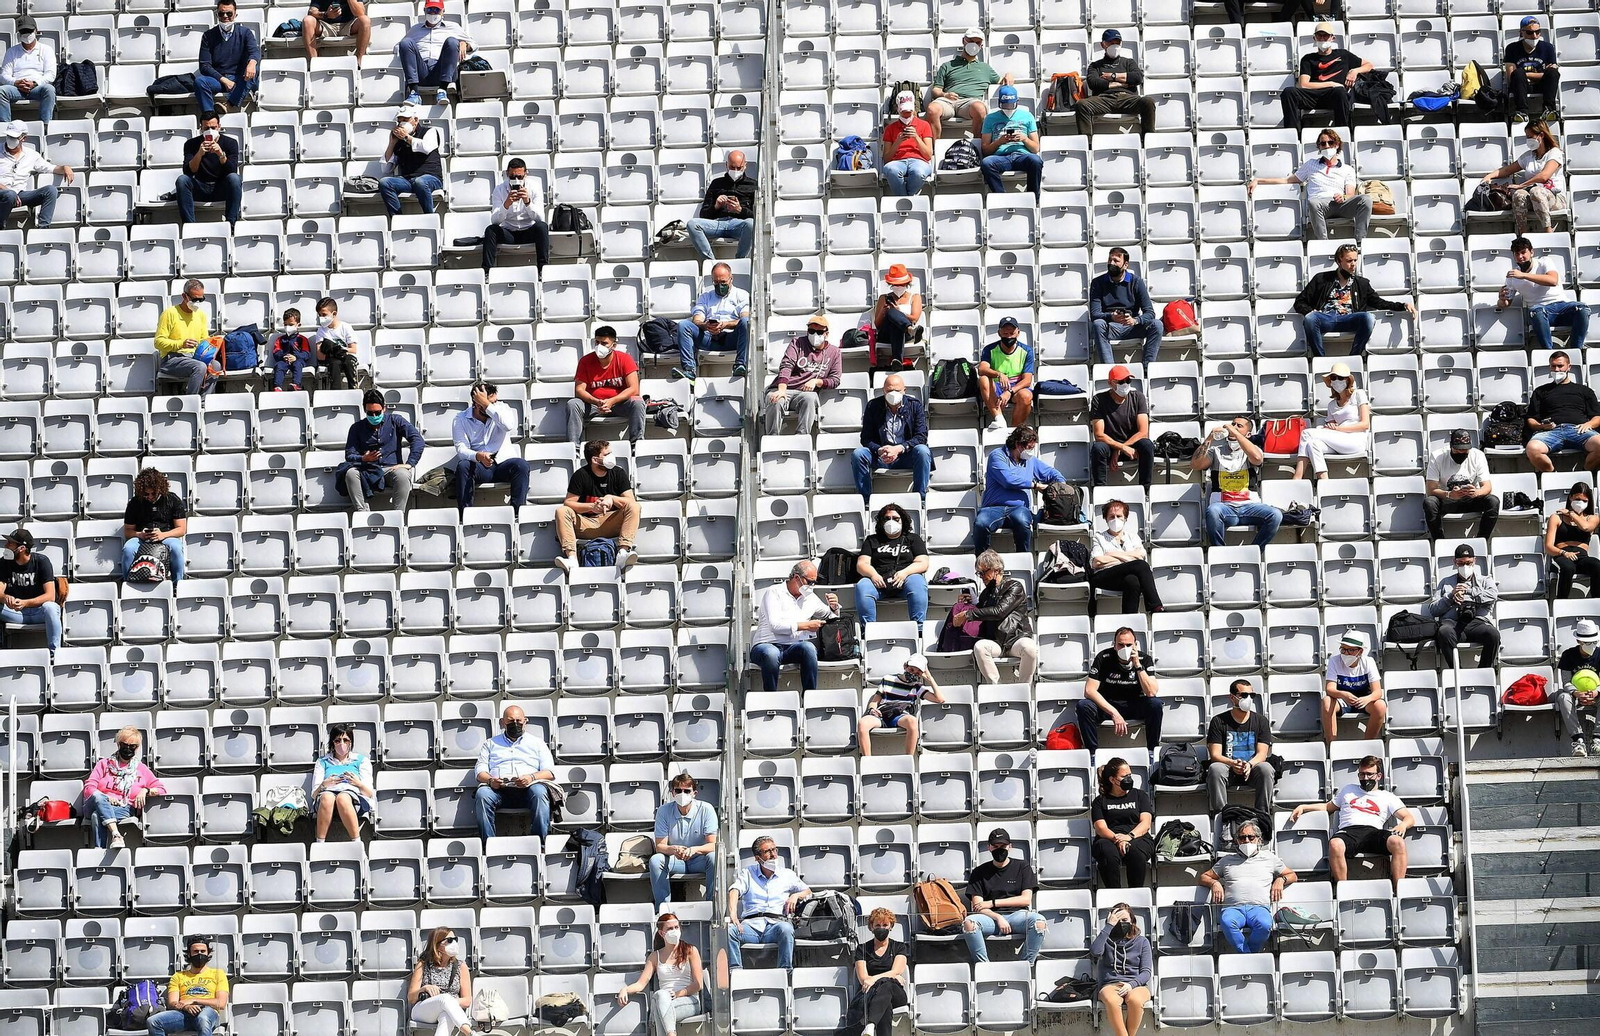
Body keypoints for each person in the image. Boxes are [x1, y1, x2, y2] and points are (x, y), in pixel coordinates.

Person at [1292, 755, 1414, 890]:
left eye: (1369, 774)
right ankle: (1343, 889)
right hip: (1349, 831)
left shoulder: (1387, 796)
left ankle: (1399, 890)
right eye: (1362, 774)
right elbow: (1328, 807)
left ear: (1379, 776)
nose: (1365, 778)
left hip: (1373, 832)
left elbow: (1409, 818)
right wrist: (1304, 807)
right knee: (1335, 844)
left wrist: (1402, 825)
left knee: (1398, 843)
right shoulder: (1348, 789)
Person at [1291, 243, 1416, 357]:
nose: (1353, 264)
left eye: (1355, 260)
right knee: (1310, 318)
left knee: (1369, 318)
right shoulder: (1321, 279)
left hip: (1349, 319)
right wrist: (1311, 311)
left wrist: (1403, 305)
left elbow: (1379, 302)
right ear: (1339, 261)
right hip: (1325, 318)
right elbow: (1299, 302)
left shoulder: (1362, 283)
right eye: (1349, 261)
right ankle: (1320, 358)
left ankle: (1354, 356)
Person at [1248, 129, 1371, 241]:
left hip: (1341, 203)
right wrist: (1258, 180)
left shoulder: (1347, 169)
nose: (1327, 146)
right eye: (1323, 144)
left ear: (1337, 144)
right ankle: (1323, 244)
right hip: (1320, 205)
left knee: (1366, 200)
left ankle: (1359, 242)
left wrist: (1343, 197)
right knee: (1313, 202)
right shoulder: (1311, 165)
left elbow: (1350, 193)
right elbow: (1287, 180)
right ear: (1319, 147)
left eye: (1331, 142)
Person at [1198, 820, 1296, 953]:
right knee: (1227, 922)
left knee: (1265, 925)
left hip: (1259, 908)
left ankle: (1248, 955)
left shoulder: (1269, 858)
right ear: (1237, 841)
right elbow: (1204, 877)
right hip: (1233, 908)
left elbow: (1292, 875)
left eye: (1251, 837)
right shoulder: (1227, 860)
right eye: (1242, 837)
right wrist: (1214, 883)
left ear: (1259, 839)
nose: (1246, 841)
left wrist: (1280, 879)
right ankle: (1249, 957)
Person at [749, 561, 838, 693]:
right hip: (766, 644)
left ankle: (809, 696)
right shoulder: (774, 592)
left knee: (809, 648)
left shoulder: (810, 598)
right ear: (797, 578)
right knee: (771, 654)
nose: (812, 586)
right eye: (810, 582)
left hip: (792, 647)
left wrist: (834, 606)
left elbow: (830, 616)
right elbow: (775, 626)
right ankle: (770, 697)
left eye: (815, 582)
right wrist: (805, 626)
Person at [1192, 418, 1282, 548]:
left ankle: (1254, 550)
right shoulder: (1215, 451)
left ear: (1248, 434)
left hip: (1250, 506)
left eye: (1239, 426)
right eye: (1232, 424)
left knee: (1275, 515)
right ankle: (1221, 552)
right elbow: (1195, 465)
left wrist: (1236, 433)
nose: (1233, 427)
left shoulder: (1253, 450)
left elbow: (1257, 458)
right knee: (1213, 511)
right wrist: (1210, 438)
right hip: (1224, 506)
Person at [553, 439, 639, 575]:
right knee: (562, 511)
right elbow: (569, 503)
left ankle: (622, 552)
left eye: (610, 453)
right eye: (606, 455)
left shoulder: (618, 473)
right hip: (587, 524)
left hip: (611, 522)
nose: (611, 457)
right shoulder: (581, 475)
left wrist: (611, 498)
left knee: (634, 507)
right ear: (595, 460)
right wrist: (591, 507)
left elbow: (630, 502)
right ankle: (572, 559)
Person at [974, 426, 1064, 555]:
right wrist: (1035, 485)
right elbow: (1008, 480)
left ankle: (1022, 558)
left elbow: (1051, 473)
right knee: (981, 523)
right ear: (1018, 444)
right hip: (993, 508)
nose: (1031, 452)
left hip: (1019, 508)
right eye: (1029, 448)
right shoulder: (997, 455)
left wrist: (1061, 485)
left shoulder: (1030, 461)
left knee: (1022, 521)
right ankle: (982, 561)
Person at [961, 827, 1046, 963]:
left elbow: (1025, 899)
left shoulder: (1022, 867)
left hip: (1017, 916)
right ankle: (985, 968)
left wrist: (993, 903)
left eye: (1003, 846)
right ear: (989, 848)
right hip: (990, 918)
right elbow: (977, 906)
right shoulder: (979, 872)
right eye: (995, 846)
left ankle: (1025, 966)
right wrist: (998, 917)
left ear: (1010, 846)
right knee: (969, 924)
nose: (999, 849)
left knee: (1039, 923)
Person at [727, 835, 810, 970]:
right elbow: (734, 890)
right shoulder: (748, 873)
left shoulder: (787, 874)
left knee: (787, 929)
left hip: (775, 925)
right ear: (757, 857)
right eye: (767, 851)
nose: (773, 855)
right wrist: (733, 915)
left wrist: (795, 895)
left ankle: (785, 973)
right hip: (751, 926)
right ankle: (735, 972)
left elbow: (808, 891)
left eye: (774, 850)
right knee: (730, 931)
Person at [1075, 626, 1162, 754]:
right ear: (1114, 645)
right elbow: (1089, 690)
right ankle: (1092, 753)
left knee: (1156, 704)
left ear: (1135, 645)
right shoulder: (1104, 658)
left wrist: (1137, 665)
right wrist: (1114, 713)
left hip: (1134, 704)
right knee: (1084, 705)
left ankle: (1152, 751)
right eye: (1120, 645)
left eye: (1129, 645)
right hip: (1108, 704)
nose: (1124, 648)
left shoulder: (1145, 659)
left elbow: (1151, 692)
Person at [474, 705, 555, 840]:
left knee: (540, 792)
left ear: (525, 721)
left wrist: (531, 777)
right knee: (482, 794)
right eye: (511, 721)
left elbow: (549, 772)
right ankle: (488, 845)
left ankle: (540, 844)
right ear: (502, 722)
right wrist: (490, 781)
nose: (515, 724)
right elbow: (479, 772)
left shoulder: (537, 743)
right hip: (499, 791)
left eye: (519, 721)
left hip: (529, 790)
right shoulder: (490, 744)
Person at [616, 914, 705, 1036]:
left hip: (689, 1000)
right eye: (670, 929)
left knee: (659, 1005)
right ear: (662, 933)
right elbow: (641, 984)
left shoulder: (691, 950)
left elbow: (698, 984)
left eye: (676, 927)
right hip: (665, 1000)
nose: (674, 931)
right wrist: (625, 989)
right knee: (661, 996)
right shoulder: (654, 956)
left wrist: (679, 993)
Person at [1497, 237, 1589, 353]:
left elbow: (1553, 280)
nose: (1520, 257)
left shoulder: (1545, 262)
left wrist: (1524, 275)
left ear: (1531, 252)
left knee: (1582, 308)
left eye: (1523, 252)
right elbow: (1505, 304)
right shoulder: (1512, 276)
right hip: (1540, 312)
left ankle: (1577, 351)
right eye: (1516, 254)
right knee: (1537, 311)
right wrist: (1501, 298)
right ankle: (1549, 354)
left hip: (1562, 307)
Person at [338, 389, 423, 513]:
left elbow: (417, 440)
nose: (374, 416)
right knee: (350, 473)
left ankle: (397, 515)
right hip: (367, 470)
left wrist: (410, 463)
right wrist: (363, 458)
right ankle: (363, 514)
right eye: (370, 413)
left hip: (391, 469)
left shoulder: (395, 420)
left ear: (384, 408)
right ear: (364, 410)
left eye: (377, 413)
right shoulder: (356, 428)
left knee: (403, 474)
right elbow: (349, 455)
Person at [451, 382, 530, 515]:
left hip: (503, 464)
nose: (494, 405)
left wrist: (487, 406)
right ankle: (465, 515)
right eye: (488, 402)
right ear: (476, 403)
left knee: (521, 465)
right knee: (463, 466)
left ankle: (517, 515)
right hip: (481, 465)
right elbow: (461, 449)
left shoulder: (502, 408)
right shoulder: (460, 418)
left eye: (494, 401)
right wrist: (478, 456)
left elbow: (508, 425)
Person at [853, 375, 931, 506]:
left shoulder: (915, 406)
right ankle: (865, 501)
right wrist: (879, 450)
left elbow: (921, 436)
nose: (893, 394)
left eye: (897, 390)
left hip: (906, 455)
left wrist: (899, 448)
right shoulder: (873, 406)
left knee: (923, 451)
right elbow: (865, 438)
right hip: (881, 456)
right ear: (883, 391)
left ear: (904, 390)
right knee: (858, 454)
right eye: (889, 391)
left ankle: (920, 498)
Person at [82, 725, 164, 849]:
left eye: (133, 746)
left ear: (137, 748)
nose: (128, 749)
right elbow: (89, 788)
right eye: (125, 745)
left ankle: (100, 850)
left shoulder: (141, 768)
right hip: (96, 802)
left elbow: (161, 789)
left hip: (123, 808)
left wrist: (145, 790)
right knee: (99, 797)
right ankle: (116, 834)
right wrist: (106, 798)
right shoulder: (104, 764)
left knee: (96, 815)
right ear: (119, 744)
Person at [1281, 22, 1373, 132]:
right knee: (1288, 92)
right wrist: (1331, 84)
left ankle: (1342, 132)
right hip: (1313, 95)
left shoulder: (1343, 55)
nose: (1322, 39)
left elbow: (1369, 65)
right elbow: (1303, 84)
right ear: (1314, 38)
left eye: (1326, 36)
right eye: (1319, 35)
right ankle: (1291, 134)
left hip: (1334, 96)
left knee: (1340, 92)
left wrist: (1354, 71)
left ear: (1332, 38)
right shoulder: (1308, 59)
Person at [1480, 121, 1568, 235]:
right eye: (1527, 137)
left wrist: (1523, 185)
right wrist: (1490, 176)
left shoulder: (1554, 153)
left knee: (1536, 191)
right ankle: (1522, 234)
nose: (1528, 140)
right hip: (1534, 199)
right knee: (1519, 194)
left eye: (1530, 137)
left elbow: (1544, 176)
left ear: (1541, 135)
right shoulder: (1529, 156)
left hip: (1555, 198)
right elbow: (1508, 170)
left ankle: (1548, 231)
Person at [1424, 544, 1502, 669]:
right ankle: (1457, 671)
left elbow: (1493, 595)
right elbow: (1433, 609)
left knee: (1493, 635)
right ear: (1454, 562)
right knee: (1443, 632)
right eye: (1460, 563)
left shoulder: (1485, 580)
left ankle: (1484, 670)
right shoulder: (1445, 582)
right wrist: (1450, 596)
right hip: (1453, 623)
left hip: (1477, 623)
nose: (1465, 566)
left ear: (1474, 561)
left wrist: (1468, 592)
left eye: (1468, 562)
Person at [967, 550, 1039, 685]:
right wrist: (968, 604)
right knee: (980, 647)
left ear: (997, 570)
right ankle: (996, 688)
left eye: (984, 572)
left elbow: (999, 611)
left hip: (1015, 639)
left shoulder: (1014, 586)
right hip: (995, 641)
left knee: (1029, 647)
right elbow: (983, 612)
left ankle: (1024, 688)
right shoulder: (985, 594)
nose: (981, 576)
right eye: (979, 573)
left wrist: (969, 614)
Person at [648, 773, 718, 911]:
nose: (682, 794)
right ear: (672, 793)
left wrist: (694, 850)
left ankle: (712, 906)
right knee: (656, 860)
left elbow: (712, 844)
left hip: (699, 859)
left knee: (714, 857)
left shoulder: (706, 809)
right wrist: (674, 849)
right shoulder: (663, 811)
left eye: (687, 791)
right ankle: (662, 909)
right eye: (678, 790)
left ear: (694, 793)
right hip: (676, 860)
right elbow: (660, 846)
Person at [762, 315, 841, 436]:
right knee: (775, 399)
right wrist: (781, 390)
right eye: (811, 331)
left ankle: (802, 437)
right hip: (784, 388)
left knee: (810, 398)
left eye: (819, 332)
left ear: (826, 334)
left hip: (805, 393)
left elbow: (835, 380)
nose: (815, 335)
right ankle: (772, 438)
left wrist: (817, 382)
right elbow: (786, 365)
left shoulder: (834, 352)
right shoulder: (797, 342)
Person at [1207, 679, 1275, 815]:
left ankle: (1262, 817)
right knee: (1215, 769)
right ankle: (1222, 817)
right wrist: (1233, 763)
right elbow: (1215, 755)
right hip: (1228, 768)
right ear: (1232, 698)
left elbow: (1262, 754)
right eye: (1244, 695)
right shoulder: (1218, 721)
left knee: (1266, 769)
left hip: (1252, 768)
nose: (1248, 699)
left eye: (1252, 695)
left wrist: (1249, 765)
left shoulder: (1261, 721)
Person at [1524, 351, 1600, 473]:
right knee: (1532, 448)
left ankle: (1585, 473)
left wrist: (1589, 424)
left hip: (1579, 430)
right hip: (1550, 432)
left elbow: (1597, 416)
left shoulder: (1584, 391)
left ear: (1568, 367)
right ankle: (1553, 476)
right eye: (1553, 366)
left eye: (1560, 366)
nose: (1557, 369)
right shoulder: (1540, 391)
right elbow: (1531, 419)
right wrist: (1541, 426)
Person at [569, 326, 644, 449]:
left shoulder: (625, 359)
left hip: (619, 404)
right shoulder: (585, 361)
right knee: (573, 404)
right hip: (593, 405)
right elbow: (579, 390)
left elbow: (634, 388)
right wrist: (596, 401)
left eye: (604, 343)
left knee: (638, 402)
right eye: (597, 342)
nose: (599, 346)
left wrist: (612, 401)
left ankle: (637, 445)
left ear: (613, 345)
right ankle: (574, 448)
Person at [673, 263, 750, 382]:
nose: (720, 286)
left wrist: (725, 324)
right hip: (709, 337)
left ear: (731, 278)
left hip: (732, 337)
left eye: (723, 282)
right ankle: (689, 370)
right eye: (716, 283)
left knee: (746, 322)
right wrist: (706, 325)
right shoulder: (705, 297)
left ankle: (740, 365)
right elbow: (697, 320)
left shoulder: (742, 295)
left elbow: (744, 317)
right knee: (684, 325)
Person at [855, 503, 929, 626]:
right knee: (862, 586)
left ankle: (919, 627)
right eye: (887, 518)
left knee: (918, 583)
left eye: (896, 518)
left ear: (902, 521)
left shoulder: (913, 538)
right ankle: (867, 629)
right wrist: (873, 575)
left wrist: (904, 573)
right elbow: (862, 564)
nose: (891, 521)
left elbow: (923, 563)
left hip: (905, 579)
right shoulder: (872, 540)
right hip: (878, 581)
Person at [926, 28, 1009, 137]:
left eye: (977, 42)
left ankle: (978, 146)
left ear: (981, 45)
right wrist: (945, 94)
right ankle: (934, 148)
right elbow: (936, 89)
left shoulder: (985, 68)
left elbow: (1002, 81)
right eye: (970, 41)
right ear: (963, 41)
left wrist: (1008, 75)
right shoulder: (947, 65)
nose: (974, 45)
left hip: (970, 102)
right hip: (947, 101)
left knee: (980, 108)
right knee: (932, 109)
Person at [1294, 362, 1370, 480]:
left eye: (1340, 377)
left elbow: (1365, 424)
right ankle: (1325, 481)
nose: (1337, 380)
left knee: (1306, 433)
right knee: (1312, 444)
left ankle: (1297, 478)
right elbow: (1330, 426)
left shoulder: (1358, 394)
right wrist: (1330, 426)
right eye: (1333, 378)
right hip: (1339, 441)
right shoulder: (1331, 405)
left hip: (1356, 440)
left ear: (1347, 380)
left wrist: (1338, 428)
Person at [858, 653, 943, 756]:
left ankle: (908, 759)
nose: (913, 674)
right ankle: (868, 760)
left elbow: (940, 699)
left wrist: (930, 678)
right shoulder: (888, 679)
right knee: (862, 723)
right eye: (911, 670)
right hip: (882, 715)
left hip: (899, 717)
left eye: (917, 673)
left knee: (912, 721)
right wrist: (872, 710)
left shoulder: (916, 687)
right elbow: (875, 701)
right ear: (905, 666)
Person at [1076, 29, 1156, 138]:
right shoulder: (1095, 66)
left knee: (1148, 102)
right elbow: (1094, 83)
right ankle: (1087, 142)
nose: (1114, 46)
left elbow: (1137, 78)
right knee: (1082, 105)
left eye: (1117, 43)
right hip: (1104, 99)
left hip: (1127, 98)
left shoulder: (1129, 62)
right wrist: (1122, 83)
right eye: (1111, 43)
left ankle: (1148, 139)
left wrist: (1112, 76)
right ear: (1103, 44)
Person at [1089, 249, 1162, 368]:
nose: (1111, 263)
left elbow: (1150, 313)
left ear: (1125, 264)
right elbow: (1095, 314)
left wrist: (1135, 320)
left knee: (1157, 324)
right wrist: (1111, 316)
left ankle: (1147, 368)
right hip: (1110, 327)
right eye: (1110, 260)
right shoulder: (1098, 283)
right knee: (1098, 324)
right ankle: (1111, 371)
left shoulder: (1136, 282)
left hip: (1132, 327)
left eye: (1116, 261)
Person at [1090, 757, 1155, 888]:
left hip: (1137, 836)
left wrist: (1129, 837)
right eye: (1124, 776)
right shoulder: (1100, 801)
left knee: (1136, 850)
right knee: (1107, 851)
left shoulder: (1140, 795)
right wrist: (1117, 839)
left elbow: (1146, 823)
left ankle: (1136, 892)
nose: (1129, 779)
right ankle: (1114, 894)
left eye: (1130, 775)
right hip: (1110, 838)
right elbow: (1100, 828)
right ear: (1112, 780)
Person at [1090, 500, 1163, 614]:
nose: (1115, 519)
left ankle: (1129, 619)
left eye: (1119, 516)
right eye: (1111, 516)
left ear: (1125, 518)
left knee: (1132, 580)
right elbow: (1097, 561)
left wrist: (1111, 554)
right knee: (1141, 565)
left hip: (1123, 578)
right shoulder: (1099, 537)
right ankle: (1156, 606)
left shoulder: (1133, 537)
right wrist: (1130, 558)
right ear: (1106, 519)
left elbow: (1141, 555)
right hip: (1104, 576)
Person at [146, 938, 230, 1036]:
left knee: (203, 1019)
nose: (199, 954)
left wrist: (194, 1000)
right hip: (184, 1013)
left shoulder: (218, 974)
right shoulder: (178, 976)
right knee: (153, 1021)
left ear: (208, 954)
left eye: (203, 951)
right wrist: (186, 1007)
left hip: (208, 1012)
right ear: (189, 954)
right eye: (195, 951)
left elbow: (221, 1003)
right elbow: (172, 1003)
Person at [1423, 429, 1496, 540]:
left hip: (1470, 499)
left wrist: (1476, 492)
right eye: (1458, 451)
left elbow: (1487, 487)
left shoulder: (1478, 455)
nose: (1461, 453)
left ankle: (1482, 541)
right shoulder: (1437, 456)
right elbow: (1430, 490)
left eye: (1465, 451)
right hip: (1447, 500)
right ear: (1451, 446)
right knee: (1429, 503)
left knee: (1493, 501)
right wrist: (1449, 495)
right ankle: (1439, 542)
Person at [1090, 904, 1152, 1036]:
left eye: (1124, 920)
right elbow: (1095, 952)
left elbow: (1146, 972)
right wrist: (1108, 926)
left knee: (1135, 1000)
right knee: (1112, 1001)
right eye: (1117, 920)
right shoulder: (1105, 940)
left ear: (1132, 921)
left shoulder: (1142, 942)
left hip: (1136, 984)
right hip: (1110, 985)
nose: (1121, 924)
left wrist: (1131, 984)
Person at [1089, 365, 1154, 489]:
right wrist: (1120, 447)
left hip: (1132, 446)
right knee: (1098, 448)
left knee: (1147, 445)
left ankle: (1145, 490)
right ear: (1110, 383)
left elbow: (1143, 431)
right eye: (1121, 381)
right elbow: (1099, 434)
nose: (1125, 384)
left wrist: (1120, 449)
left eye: (1128, 381)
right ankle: (1100, 490)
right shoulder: (1099, 400)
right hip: (1110, 446)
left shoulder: (1138, 397)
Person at [0, 529, 61, 655]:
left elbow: (50, 596)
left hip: (39, 612)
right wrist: (6, 598)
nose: (6, 546)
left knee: (51, 607)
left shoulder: (41, 561)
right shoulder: (4, 562)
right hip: (16, 613)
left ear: (21, 548)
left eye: (10, 543)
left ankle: (54, 654)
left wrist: (25, 603)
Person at [484, 157, 550, 273]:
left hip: (528, 231)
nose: (516, 180)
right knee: (491, 230)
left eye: (519, 177)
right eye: (512, 177)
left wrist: (528, 202)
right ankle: (486, 271)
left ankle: (543, 270)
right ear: (507, 174)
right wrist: (506, 205)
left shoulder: (534, 187)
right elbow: (494, 221)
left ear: (526, 174)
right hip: (508, 232)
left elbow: (540, 219)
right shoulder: (499, 190)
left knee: (542, 227)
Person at [398, 0, 471, 105]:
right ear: (424, 11)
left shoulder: (453, 27)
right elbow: (399, 47)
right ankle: (414, 93)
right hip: (421, 71)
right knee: (405, 42)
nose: (433, 13)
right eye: (430, 9)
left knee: (452, 41)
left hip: (442, 69)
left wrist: (464, 43)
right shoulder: (415, 29)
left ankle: (443, 90)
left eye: (436, 10)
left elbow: (473, 45)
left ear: (443, 12)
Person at [0, 120, 71, 228]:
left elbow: (50, 168)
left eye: (14, 137)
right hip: (3, 192)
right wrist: (6, 190)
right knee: (10, 195)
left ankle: (43, 230)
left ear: (23, 138)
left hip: (19, 195)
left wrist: (65, 167)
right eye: (9, 136)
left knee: (50, 190)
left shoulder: (31, 155)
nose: (10, 139)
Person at [177, 113, 242, 229]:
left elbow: (232, 170)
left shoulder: (230, 143)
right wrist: (199, 154)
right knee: (182, 180)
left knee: (235, 178)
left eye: (213, 127)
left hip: (220, 188)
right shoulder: (191, 144)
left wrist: (221, 155)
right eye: (206, 128)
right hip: (201, 187)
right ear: (201, 128)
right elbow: (188, 171)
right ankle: (189, 227)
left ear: (219, 127)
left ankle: (231, 225)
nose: (210, 131)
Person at [122, 467, 188, 584]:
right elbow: (128, 531)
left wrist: (162, 535)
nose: (150, 496)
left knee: (176, 548)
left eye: (153, 493)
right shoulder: (134, 503)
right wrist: (140, 534)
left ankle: (177, 585)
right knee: (128, 549)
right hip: (141, 537)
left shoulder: (173, 500)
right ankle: (128, 583)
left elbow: (181, 529)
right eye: (146, 494)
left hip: (166, 535)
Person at [311, 722, 375, 842]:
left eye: (346, 740)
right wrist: (324, 785)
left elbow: (369, 793)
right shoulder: (322, 762)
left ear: (350, 743)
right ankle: (319, 843)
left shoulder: (361, 761)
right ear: (332, 743)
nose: (342, 744)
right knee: (327, 797)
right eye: (337, 740)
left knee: (343, 798)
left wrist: (357, 783)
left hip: (352, 799)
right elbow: (314, 794)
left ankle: (357, 842)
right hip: (327, 799)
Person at [154, 281, 219, 397]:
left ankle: (203, 401)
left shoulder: (200, 315)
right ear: (184, 296)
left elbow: (204, 340)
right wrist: (180, 344)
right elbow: (158, 342)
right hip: (172, 359)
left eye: (201, 299)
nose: (197, 303)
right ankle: (191, 400)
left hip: (195, 357)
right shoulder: (169, 313)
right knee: (200, 367)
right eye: (194, 299)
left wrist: (210, 351)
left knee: (216, 365)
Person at [406, 926, 474, 1036]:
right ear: (437, 945)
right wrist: (424, 988)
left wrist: (447, 1004)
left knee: (447, 1016)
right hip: (423, 1010)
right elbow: (411, 998)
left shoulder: (461, 966)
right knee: (445, 998)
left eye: (455, 940)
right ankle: (470, 1033)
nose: (454, 943)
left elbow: (467, 1001)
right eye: (450, 940)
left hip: (449, 1010)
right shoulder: (423, 964)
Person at [687, 150, 755, 260]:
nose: (736, 171)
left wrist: (740, 210)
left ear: (745, 166)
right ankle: (710, 261)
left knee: (751, 224)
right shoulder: (716, 183)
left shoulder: (753, 185)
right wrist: (716, 206)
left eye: (739, 168)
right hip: (717, 223)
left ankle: (740, 259)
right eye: (732, 167)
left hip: (739, 225)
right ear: (726, 165)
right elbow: (703, 214)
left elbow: (756, 216)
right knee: (692, 224)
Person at [194, 2, 259, 115]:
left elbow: (254, 52)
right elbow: (204, 66)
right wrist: (224, 80)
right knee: (200, 82)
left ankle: (229, 105)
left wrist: (252, 63)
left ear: (235, 14)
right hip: (219, 80)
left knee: (254, 70)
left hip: (240, 79)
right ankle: (209, 117)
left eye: (229, 13)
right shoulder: (208, 36)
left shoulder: (245, 33)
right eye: (221, 13)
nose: (225, 17)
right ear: (217, 15)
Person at [1323, 629, 1384, 746]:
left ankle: (1368, 746)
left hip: (1364, 701)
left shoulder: (1368, 662)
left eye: (1350, 650)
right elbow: (1330, 689)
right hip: (1342, 701)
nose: (1345, 653)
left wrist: (1367, 699)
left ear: (1360, 651)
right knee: (1326, 701)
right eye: (1343, 649)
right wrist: (1343, 694)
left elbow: (1377, 692)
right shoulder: (1334, 661)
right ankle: (1332, 746)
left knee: (1380, 706)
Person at [853, 909, 909, 1036]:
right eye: (877, 925)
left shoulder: (899, 947)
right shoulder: (862, 949)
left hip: (896, 993)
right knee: (885, 1005)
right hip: (871, 993)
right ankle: (871, 1027)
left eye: (885, 925)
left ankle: (870, 1024)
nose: (881, 928)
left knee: (888, 985)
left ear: (891, 927)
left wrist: (874, 979)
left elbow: (897, 970)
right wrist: (891, 976)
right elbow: (863, 978)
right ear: (871, 927)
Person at [979, 85, 1041, 199]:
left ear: (1017, 102)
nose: (1008, 108)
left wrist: (1024, 139)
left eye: (1011, 105)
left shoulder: (1027, 116)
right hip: (1001, 157)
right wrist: (999, 142)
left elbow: (1036, 148)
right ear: (999, 102)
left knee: (1036, 161)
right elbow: (985, 150)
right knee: (986, 163)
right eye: (1005, 105)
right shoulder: (990, 118)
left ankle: (1033, 198)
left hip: (1022, 155)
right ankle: (1001, 197)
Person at [381, 103, 443, 215]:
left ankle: (429, 217)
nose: (402, 123)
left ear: (415, 120)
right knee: (385, 182)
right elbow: (386, 169)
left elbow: (426, 147)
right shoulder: (399, 142)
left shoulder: (429, 131)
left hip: (431, 178)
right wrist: (392, 143)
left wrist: (406, 137)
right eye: (400, 121)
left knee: (420, 182)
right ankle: (397, 219)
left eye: (406, 119)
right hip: (408, 180)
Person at [977, 317, 1036, 431]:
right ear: (999, 333)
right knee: (983, 379)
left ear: (1018, 333)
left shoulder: (1027, 351)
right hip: (997, 388)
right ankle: (999, 419)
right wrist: (999, 374)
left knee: (1026, 396)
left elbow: (1027, 380)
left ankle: (1014, 431)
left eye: (1012, 333)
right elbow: (982, 369)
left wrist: (1009, 391)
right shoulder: (989, 349)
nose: (1009, 336)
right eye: (1005, 333)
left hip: (1016, 389)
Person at [1545, 482, 1600, 599]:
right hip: (1562, 556)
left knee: (1597, 565)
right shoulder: (1556, 517)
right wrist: (1564, 553)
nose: (1580, 503)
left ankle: (1597, 602)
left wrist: (1571, 514)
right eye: (1577, 499)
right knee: (1568, 568)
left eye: (1585, 501)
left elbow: (1585, 527)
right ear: (1570, 497)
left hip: (1582, 557)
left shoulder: (1592, 518)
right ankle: (1561, 603)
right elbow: (1548, 546)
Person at [1503, 16, 1560, 125]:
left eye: (1537, 32)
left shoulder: (1548, 47)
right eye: (1529, 32)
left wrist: (1526, 74)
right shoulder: (1512, 48)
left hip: (1541, 85)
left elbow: (1550, 74)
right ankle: (1522, 111)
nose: (1534, 36)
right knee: (1518, 74)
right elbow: (1512, 77)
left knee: (1553, 73)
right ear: (1521, 32)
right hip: (1521, 86)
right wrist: (1539, 74)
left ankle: (1549, 109)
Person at [0, 17, 57, 123]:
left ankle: (44, 126)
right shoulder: (12, 51)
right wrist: (16, 82)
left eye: (29, 31)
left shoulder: (46, 49)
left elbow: (50, 74)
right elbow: (4, 75)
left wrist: (34, 83)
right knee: (1, 91)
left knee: (49, 90)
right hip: (17, 88)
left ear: (36, 30)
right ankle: (5, 127)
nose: (26, 34)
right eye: (23, 31)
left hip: (37, 87)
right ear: (19, 33)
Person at [1557, 619, 1600, 756]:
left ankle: (1597, 739)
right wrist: (1576, 693)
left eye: (1594, 642)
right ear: (1579, 642)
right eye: (1588, 643)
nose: (1592, 645)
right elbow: (1566, 682)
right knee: (1563, 697)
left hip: (1595, 692)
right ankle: (1578, 740)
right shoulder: (1568, 655)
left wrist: (1596, 692)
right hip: (1575, 693)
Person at [880, 90, 934, 196]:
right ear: (898, 109)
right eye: (903, 111)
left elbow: (928, 155)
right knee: (891, 170)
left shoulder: (924, 125)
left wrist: (916, 138)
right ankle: (906, 198)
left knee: (919, 173)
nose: (906, 115)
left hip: (919, 160)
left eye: (909, 111)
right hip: (898, 160)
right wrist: (898, 141)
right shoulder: (890, 129)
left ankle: (905, 198)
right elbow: (886, 158)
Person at [871, 264, 923, 371]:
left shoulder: (914, 297)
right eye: (895, 285)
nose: (898, 287)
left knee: (896, 323)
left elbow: (914, 318)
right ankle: (909, 329)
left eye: (901, 284)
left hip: (904, 334)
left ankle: (897, 360)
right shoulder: (884, 298)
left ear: (907, 283)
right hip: (887, 334)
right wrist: (884, 312)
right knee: (891, 312)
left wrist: (900, 312)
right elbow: (878, 324)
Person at [310, 296, 362, 390]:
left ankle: (354, 389)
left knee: (349, 361)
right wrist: (333, 352)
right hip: (331, 359)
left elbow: (353, 350)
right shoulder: (321, 331)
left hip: (346, 356)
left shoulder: (346, 327)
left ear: (334, 314)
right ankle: (335, 391)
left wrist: (340, 350)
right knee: (335, 363)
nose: (321, 318)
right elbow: (320, 355)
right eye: (319, 315)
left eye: (324, 314)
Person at [303, 0, 372, 65]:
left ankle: (359, 61)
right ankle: (314, 62)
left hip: (348, 24)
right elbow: (311, 12)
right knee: (307, 21)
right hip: (325, 25)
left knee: (365, 20)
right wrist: (326, 14)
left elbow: (361, 13)